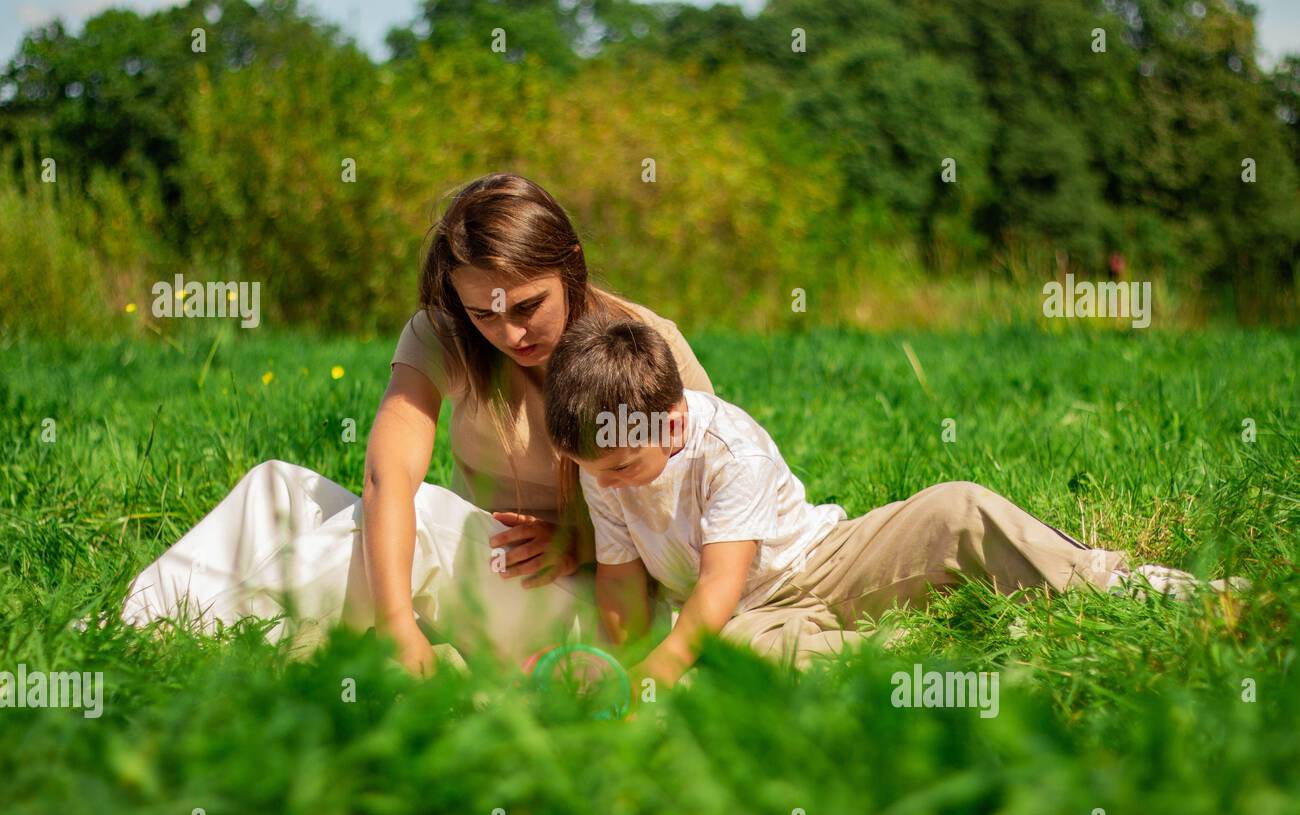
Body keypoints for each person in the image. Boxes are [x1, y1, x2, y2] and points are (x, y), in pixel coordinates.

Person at [114, 173, 715, 674]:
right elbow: (387, 478)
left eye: (528, 306)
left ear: (572, 265)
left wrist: (578, 541)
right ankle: (119, 630)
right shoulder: (444, 334)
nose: (510, 334)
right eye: (484, 314)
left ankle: (184, 655)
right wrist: (399, 623)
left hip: (602, 611)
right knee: (278, 488)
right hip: (490, 572)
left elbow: (706, 519)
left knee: (421, 521)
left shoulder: (645, 347)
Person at [541, 306, 1250, 691]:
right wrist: (620, 663)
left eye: (623, 466)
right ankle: (928, 650)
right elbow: (621, 581)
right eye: (592, 469)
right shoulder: (605, 464)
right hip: (745, 618)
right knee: (727, 653)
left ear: (667, 420)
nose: (607, 481)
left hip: (824, 562)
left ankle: (1131, 590)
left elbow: (723, 580)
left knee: (957, 508)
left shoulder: (727, 447)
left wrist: (658, 673)